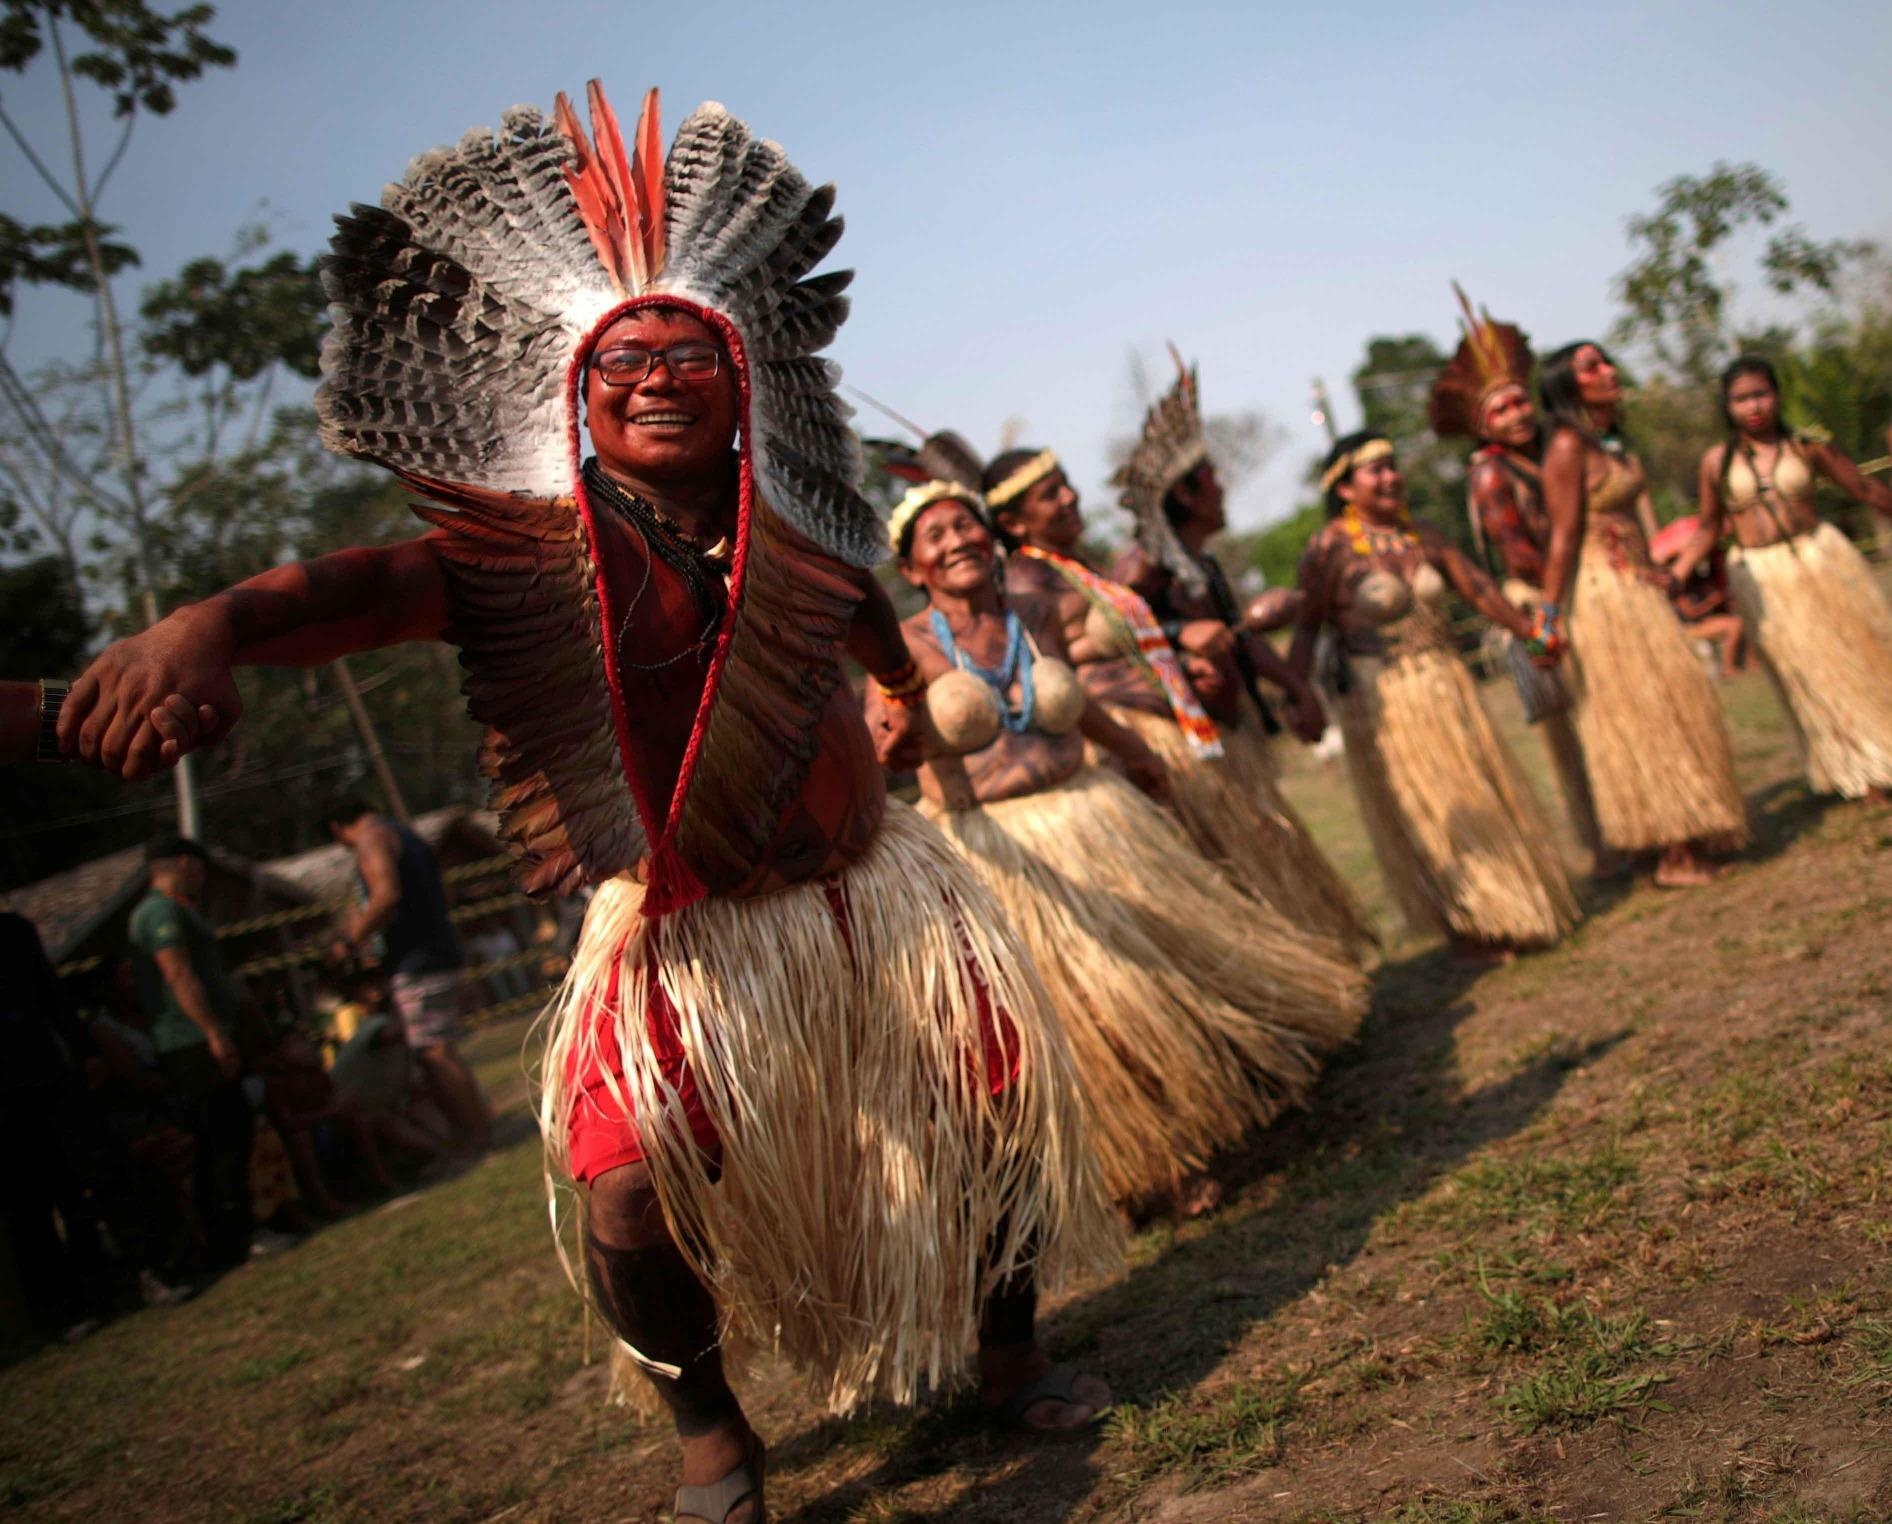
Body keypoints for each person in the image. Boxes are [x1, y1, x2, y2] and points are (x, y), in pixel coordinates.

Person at [51, 84, 1115, 1521]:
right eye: (628, 357)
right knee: (622, 1187)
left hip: (874, 892)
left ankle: (1006, 1350)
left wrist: (897, 717)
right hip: (683, 928)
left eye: (693, 350)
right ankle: (713, 1442)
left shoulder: (799, 531)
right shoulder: (532, 556)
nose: (662, 375)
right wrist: (207, 625)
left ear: (748, 376)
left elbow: (875, 640)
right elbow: (370, 590)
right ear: (575, 389)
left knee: (993, 1105)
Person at [881, 480, 1364, 1214]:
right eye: (936, 537)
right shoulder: (905, 647)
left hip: (1092, 817)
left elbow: (1082, 699)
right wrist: (897, 748)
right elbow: (879, 747)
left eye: (965, 527)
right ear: (914, 569)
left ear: (991, 538)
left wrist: (1137, 752)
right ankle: (1144, 1168)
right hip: (1001, 854)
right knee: (1084, 1018)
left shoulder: (1031, 614)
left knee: (1161, 974)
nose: (956, 543)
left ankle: (1229, 1091)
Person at [1107, 351, 1375, 957]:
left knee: (1273, 849)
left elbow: (1237, 636)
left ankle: (1317, 964)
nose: (1224, 489)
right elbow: (1109, 636)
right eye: (1214, 480)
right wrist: (1177, 636)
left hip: (1236, 736)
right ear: (1185, 494)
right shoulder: (1143, 563)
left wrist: (1297, 688)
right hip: (1196, 750)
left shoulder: (1197, 563)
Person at [1291, 434, 1579, 958]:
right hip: (1384, 699)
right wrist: (1297, 696)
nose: (1390, 477)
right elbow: (1308, 628)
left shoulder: (1421, 535)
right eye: (1375, 470)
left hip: (1446, 684)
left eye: (1393, 466)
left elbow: (1480, 591)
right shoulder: (1328, 549)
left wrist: (1532, 632)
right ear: (1345, 488)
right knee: (1433, 810)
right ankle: (1470, 921)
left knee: (1480, 794)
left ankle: (1512, 904)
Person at [1537, 342, 1749, 887]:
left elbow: (1627, 519)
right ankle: (1674, 855)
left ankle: (1691, 832)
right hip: (1603, 598)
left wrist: (1656, 567)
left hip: (1637, 589)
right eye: (1591, 367)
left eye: (1606, 361)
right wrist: (1547, 620)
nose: (1608, 371)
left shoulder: (1608, 441)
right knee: (1645, 716)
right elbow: (1561, 538)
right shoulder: (1565, 446)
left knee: (1677, 706)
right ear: (1567, 385)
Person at [1427, 287, 1604, 864]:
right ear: (1481, 426)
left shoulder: (1550, 450)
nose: (1518, 414)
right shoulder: (1490, 476)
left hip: (1571, 585)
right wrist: (1548, 610)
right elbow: (1521, 553)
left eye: (1520, 402)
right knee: (1577, 727)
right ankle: (1605, 839)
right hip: (1539, 598)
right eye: (1500, 410)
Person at [1671, 355, 1892, 801]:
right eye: (1741, 399)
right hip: (1764, 578)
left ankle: (1880, 754)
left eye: (1760, 394)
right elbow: (1710, 528)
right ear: (1727, 405)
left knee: (1858, 655)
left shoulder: (1807, 446)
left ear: (1776, 395)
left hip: (1821, 561)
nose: (1753, 406)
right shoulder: (1717, 462)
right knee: (1808, 672)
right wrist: (1674, 574)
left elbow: (1863, 489)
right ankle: (1852, 766)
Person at [323, 798, 491, 1156]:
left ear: (337, 829)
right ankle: (476, 1130)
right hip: (436, 951)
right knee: (439, 1049)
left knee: (434, 1052)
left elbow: (386, 895)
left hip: (418, 960)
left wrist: (348, 942)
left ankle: (477, 1137)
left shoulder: (372, 840)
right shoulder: (405, 835)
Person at [126, 836, 255, 1268]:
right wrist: (213, 1033)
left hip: (197, 1038)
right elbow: (178, 974)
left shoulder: (170, 909)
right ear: (185, 863)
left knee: (226, 1135)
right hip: (191, 1042)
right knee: (223, 1137)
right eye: (200, 870)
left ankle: (231, 1237)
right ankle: (233, 1239)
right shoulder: (160, 911)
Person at [1651, 515, 1746, 676]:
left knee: (1739, 620)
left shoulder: (1700, 578)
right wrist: (1711, 602)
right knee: (1734, 625)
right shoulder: (1675, 586)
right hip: (1688, 628)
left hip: (1703, 621)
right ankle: (1729, 669)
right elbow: (1688, 612)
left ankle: (1746, 666)